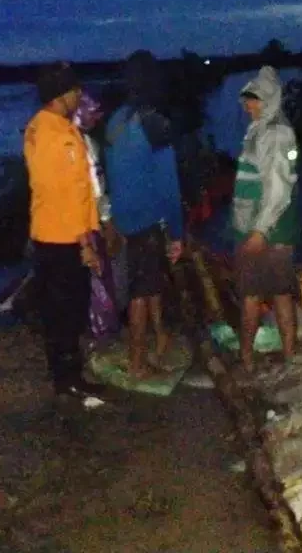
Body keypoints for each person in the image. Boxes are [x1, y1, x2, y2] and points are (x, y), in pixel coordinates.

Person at [23, 62, 107, 405]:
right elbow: (65, 193)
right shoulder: (55, 135)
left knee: (65, 310)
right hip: (62, 238)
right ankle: (67, 382)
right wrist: (85, 242)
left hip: (58, 233)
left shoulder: (46, 127)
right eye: (75, 91)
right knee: (66, 312)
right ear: (62, 95)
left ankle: (69, 378)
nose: (79, 96)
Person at [104, 50, 184, 378]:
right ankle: (137, 363)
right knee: (140, 292)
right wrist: (177, 233)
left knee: (145, 282)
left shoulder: (116, 120)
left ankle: (161, 336)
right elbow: (169, 184)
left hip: (121, 222)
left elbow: (111, 171)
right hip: (145, 223)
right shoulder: (154, 123)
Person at [231, 66, 300, 374]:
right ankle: (286, 356)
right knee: (279, 294)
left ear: (270, 99)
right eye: (247, 99)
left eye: (255, 99)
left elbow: (279, 187)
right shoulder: (261, 128)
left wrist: (259, 231)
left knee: (252, 295)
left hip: (267, 231)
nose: (248, 105)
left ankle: (248, 358)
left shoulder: (276, 132)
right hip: (267, 229)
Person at [73, 91, 121, 343]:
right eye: (93, 113)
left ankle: (98, 331)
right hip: (86, 224)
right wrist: (106, 219)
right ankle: (100, 334)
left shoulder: (80, 142)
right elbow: (95, 188)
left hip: (83, 222)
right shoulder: (81, 145)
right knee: (97, 279)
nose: (98, 117)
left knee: (96, 278)